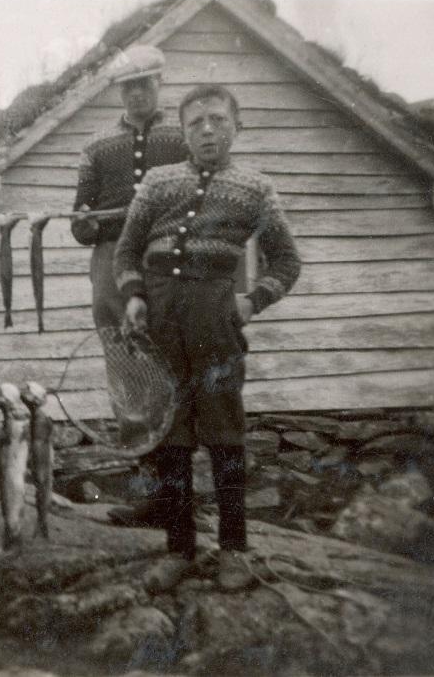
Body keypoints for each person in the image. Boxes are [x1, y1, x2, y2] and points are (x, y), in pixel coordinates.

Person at [113, 84, 301, 593]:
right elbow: (126, 252)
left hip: (215, 321)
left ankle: (234, 551)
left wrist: (252, 301)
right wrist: (133, 296)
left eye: (218, 119)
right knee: (170, 437)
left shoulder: (255, 189)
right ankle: (179, 549)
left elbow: (287, 261)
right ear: (184, 132)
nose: (208, 130)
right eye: (196, 123)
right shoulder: (157, 182)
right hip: (159, 321)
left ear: (237, 126)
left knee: (223, 434)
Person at [70, 45, 188, 528]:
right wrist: (91, 221)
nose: (137, 92)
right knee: (126, 370)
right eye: (128, 86)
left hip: (165, 261)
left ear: (159, 82)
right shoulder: (97, 147)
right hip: (110, 263)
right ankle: (149, 497)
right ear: (119, 91)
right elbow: (80, 223)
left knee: (172, 365)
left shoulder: (181, 139)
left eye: (145, 83)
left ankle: (178, 497)